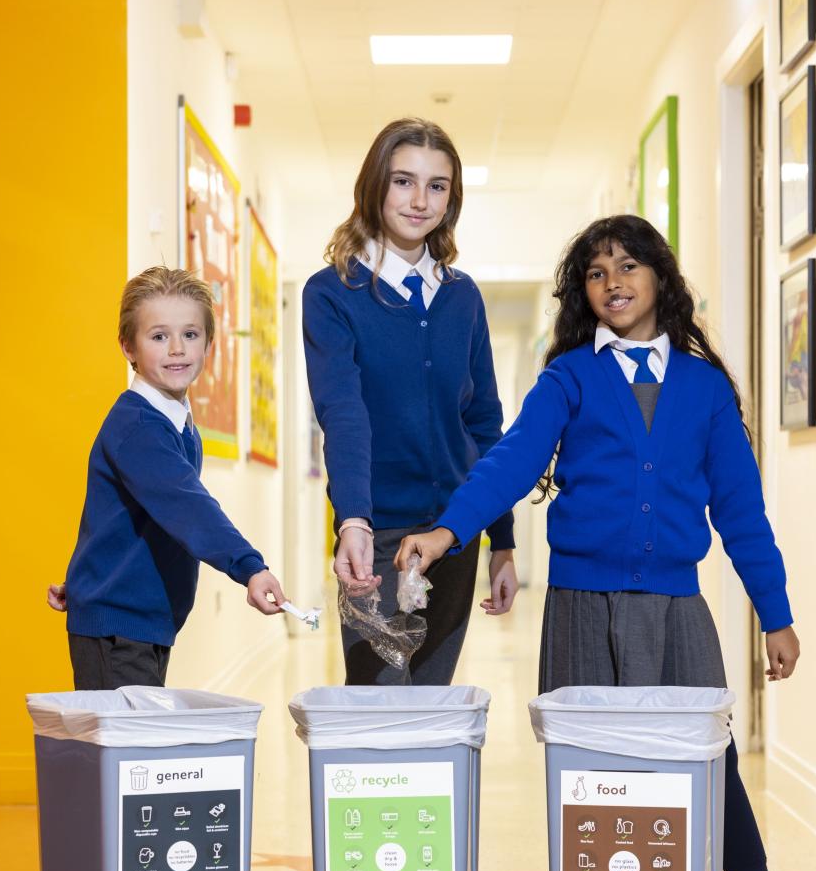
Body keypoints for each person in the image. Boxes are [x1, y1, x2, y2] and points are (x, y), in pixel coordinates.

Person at [395, 215, 816, 871]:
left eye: (629, 265)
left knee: (712, 759)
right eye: (597, 272)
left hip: (675, 608)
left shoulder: (705, 390)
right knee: (593, 774)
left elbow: (740, 511)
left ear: (661, 280)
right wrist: (448, 532)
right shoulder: (568, 378)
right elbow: (509, 461)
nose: (613, 282)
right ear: (584, 292)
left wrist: (776, 613)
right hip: (582, 605)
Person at [302, 117, 519, 685]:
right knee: (375, 706)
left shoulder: (461, 297)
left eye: (438, 186)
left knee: (431, 705)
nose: (420, 200)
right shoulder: (332, 294)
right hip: (372, 538)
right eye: (403, 181)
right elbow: (342, 413)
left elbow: (485, 424)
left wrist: (503, 540)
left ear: (452, 198)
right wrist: (352, 520)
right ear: (375, 185)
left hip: (452, 535)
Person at [47, 266, 286, 689]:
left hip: (142, 620)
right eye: (159, 337)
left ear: (209, 343)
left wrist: (89, 577)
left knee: (134, 750)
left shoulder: (175, 423)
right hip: (120, 628)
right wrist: (249, 567)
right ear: (128, 346)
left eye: (190, 335)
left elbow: (123, 515)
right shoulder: (139, 427)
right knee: (126, 751)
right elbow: (188, 507)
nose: (177, 349)